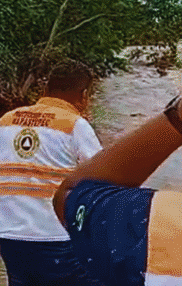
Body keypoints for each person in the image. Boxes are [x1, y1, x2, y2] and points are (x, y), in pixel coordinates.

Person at [0, 61, 103, 286]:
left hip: (9, 235)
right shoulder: (75, 125)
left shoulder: (7, 120)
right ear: (84, 94)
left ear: (45, 90)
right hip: (54, 235)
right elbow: (103, 175)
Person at [53, 95, 182, 286]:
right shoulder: (76, 124)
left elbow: (77, 190)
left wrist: (176, 117)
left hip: (19, 232)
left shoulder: (158, 231)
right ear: (84, 96)